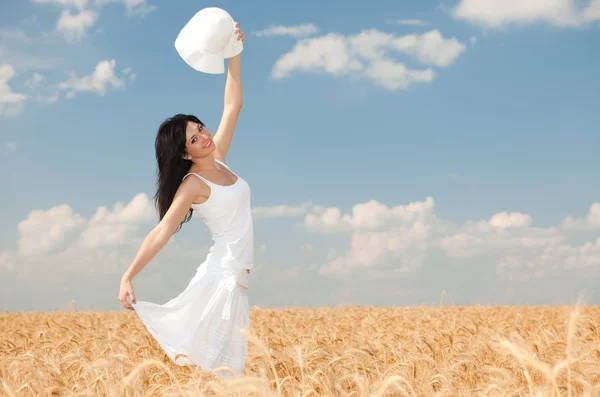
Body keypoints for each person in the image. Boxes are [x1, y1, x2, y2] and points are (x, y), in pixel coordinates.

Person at [118, 23, 251, 379]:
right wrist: (129, 275)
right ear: (185, 154)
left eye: (201, 128)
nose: (204, 137)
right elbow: (162, 231)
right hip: (222, 278)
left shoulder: (218, 157)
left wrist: (233, 51)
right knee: (221, 372)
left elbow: (233, 104)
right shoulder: (192, 184)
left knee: (223, 371)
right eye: (194, 139)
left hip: (237, 279)